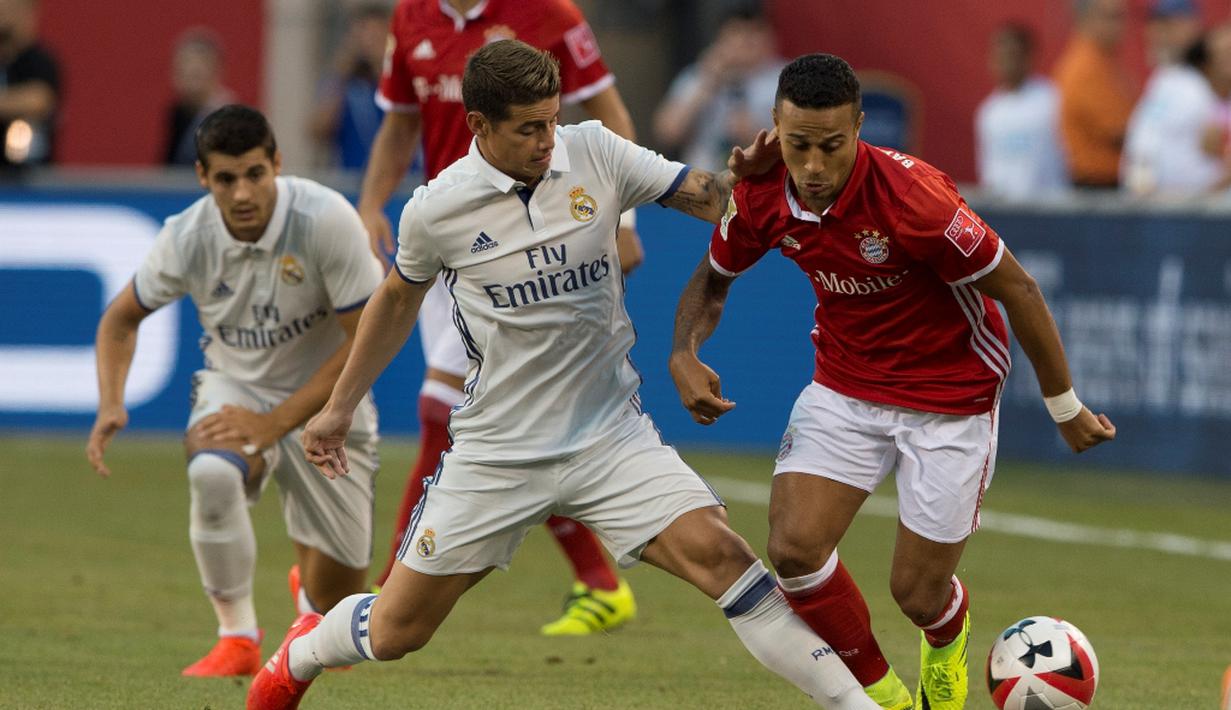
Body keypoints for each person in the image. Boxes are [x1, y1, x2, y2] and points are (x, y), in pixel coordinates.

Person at [247, 40, 878, 710]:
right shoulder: (438, 208)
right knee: (400, 629)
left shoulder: (594, 150)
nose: (548, 139)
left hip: (609, 436)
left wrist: (756, 179)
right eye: (528, 127)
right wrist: (340, 407)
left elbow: (708, 200)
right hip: (499, 450)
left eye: (551, 120)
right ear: (479, 127)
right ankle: (302, 651)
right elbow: (397, 299)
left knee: (726, 560)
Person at [668, 54, 1116, 710]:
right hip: (845, 385)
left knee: (917, 594)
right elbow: (713, 276)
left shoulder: (914, 200)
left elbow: (1017, 287)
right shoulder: (764, 194)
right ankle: (887, 699)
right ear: (774, 129)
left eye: (831, 146)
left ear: (858, 128)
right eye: (798, 147)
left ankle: (945, 634)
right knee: (793, 552)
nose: (815, 167)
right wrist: (683, 349)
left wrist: (1064, 405)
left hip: (948, 396)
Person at [359, 0, 646, 636]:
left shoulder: (550, 14)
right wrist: (371, 201)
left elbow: (607, 109)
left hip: (531, 237)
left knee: (445, 406)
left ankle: (388, 591)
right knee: (508, 415)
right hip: (449, 231)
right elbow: (400, 123)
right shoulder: (410, 18)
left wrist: (624, 217)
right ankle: (599, 582)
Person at [87, 105, 384, 677]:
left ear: (277, 164)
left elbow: (367, 340)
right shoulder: (188, 236)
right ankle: (237, 636)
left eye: (254, 173)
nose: (242, 192)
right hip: (236, 386)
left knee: (338, 606)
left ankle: (312, 590)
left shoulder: (326, 219)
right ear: (203, 177)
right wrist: (111, 402)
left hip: (332, 399)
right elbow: (119, 320)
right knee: (212, 473)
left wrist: (278, 424)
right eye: (226, 178)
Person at [652, 3, 786, 173]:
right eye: (737, 32)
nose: (745, 42)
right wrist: (708, 81)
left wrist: (755, 134)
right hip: (702, 181)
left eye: (754, 33)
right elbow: (666, 133)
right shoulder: (699, 75)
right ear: (720, 38)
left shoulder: (784, 79)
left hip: (762, 181)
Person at [974, 23, 1068, 201]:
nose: (1006, 63)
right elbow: (989, 172)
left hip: (1050, 209)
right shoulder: (988, 113)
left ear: (1028, 57)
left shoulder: (1052, 99)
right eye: (1000, 56)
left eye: (1012, 55)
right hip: (1008, 213)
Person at [1054, 0, 1136, 188]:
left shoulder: (1105, 62)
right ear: (1084, 19)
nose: (1121, 26)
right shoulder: (1085, 68)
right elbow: (1119, 132)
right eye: (1111, 17)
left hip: (1110, 183)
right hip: (1098, 186)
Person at [307, 3, 390, 171]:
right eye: (365, 35)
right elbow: (317, 130)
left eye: (377, 36)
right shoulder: (345, 83)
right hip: (353, 182)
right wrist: (342, 69)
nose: (370, 44)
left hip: (407, 183)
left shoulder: (405, 82)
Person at [0, 0, 60, 169]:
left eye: (12, 7)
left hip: (33, 178)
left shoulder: (39, 62)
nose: (4, 13)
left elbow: (38, 101)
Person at [163, 29, 236, 166]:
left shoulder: (230, 121)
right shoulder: (178, 114)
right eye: (182, 70)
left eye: (196, 73)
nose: (188, 79)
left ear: (216, 71)